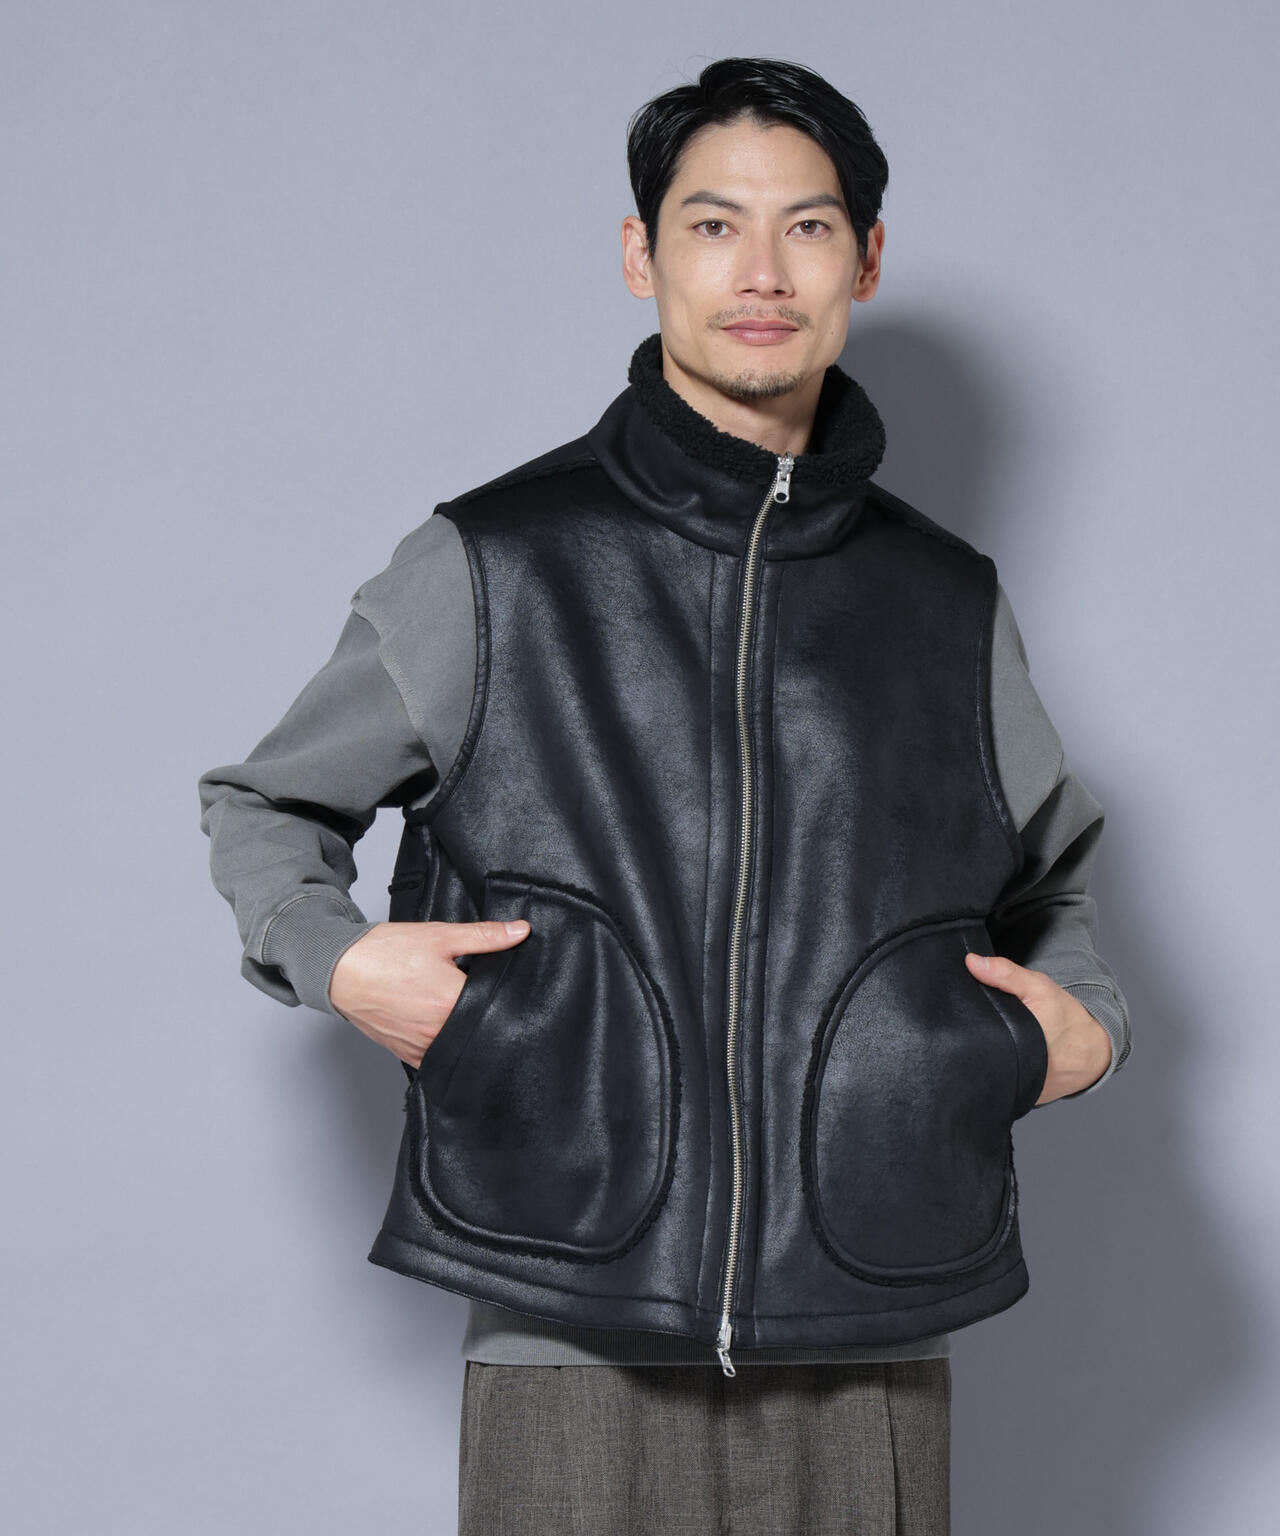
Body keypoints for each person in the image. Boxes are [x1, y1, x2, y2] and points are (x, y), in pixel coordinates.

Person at [198, 56, 1131, 1536]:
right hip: (567, 1314)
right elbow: (267, 805)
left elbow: (1051, 875)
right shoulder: (497, 561)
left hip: (871, 1315)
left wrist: (1079, 1024)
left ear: (865, 261)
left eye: (808, 227)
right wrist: (342, 959)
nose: (761, 272)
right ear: (642, 255)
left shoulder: (947, 600)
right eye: (713, 225)